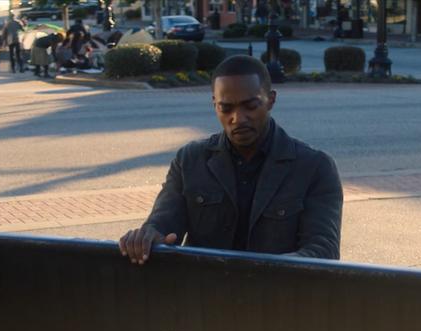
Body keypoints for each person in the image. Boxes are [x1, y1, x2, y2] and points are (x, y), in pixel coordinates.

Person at [119, 55, 344, 263]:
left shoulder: (315, 167)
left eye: (250, 106)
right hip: (204, 298)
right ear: (214, 105)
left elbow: (323, 251)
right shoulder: (189, 161)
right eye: (226, 108)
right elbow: (162, 224)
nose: (238, 118)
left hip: (277, 299)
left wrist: (268, 275)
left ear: (271, 100)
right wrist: (146, 237)